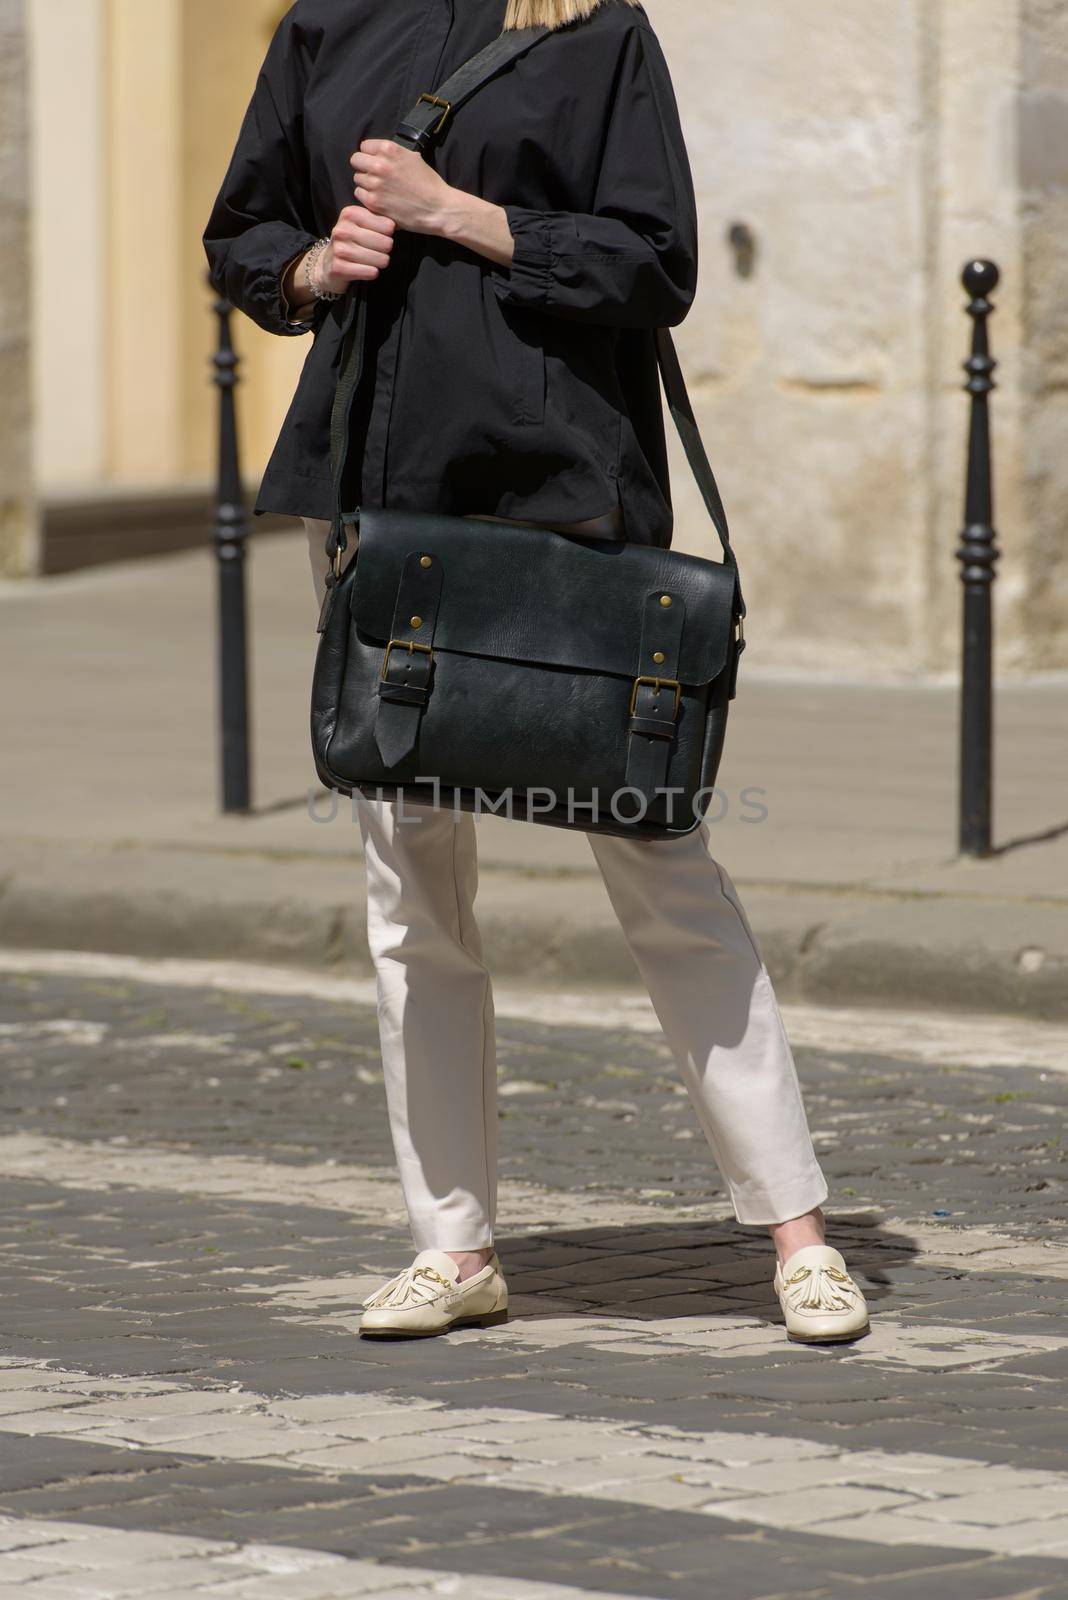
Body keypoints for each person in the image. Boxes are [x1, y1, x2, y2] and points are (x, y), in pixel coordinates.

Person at [203, 0, 870, 1346]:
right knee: (410, 892)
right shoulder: (329, 23)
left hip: (565, 498)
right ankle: (454, 1248)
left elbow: (656, 265)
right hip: (381, 499)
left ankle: (799, 1232)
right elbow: (247, 234)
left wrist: (461, 212)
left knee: (664, 867)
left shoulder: (594, 28)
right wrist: (317, 269)